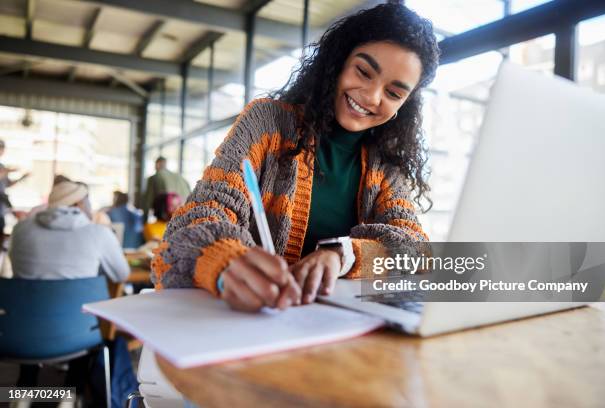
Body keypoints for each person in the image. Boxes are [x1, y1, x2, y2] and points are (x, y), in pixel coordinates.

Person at [152, 2, 439, 312]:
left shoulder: (385, 165)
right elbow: (193, 223)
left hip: (338, 336)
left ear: (405, 104)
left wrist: (344, 255)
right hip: (247, 325)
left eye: (394, 93)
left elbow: (416, 253)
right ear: (338, 61)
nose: (371, 97)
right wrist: (224, 260)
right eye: (364, 71)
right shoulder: (267, 123)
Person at [10, 180, 130, 281]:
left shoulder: (20, 229)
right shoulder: (99, 233)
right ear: (79, 204)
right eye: (88, 201)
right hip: (81, 308)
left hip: (24, 308)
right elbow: (121, 275)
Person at [0, 139, 29, 238]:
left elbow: (7, 184)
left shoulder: (2, 166)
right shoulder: (4, 169)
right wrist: (9, 170)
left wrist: (22, 177)